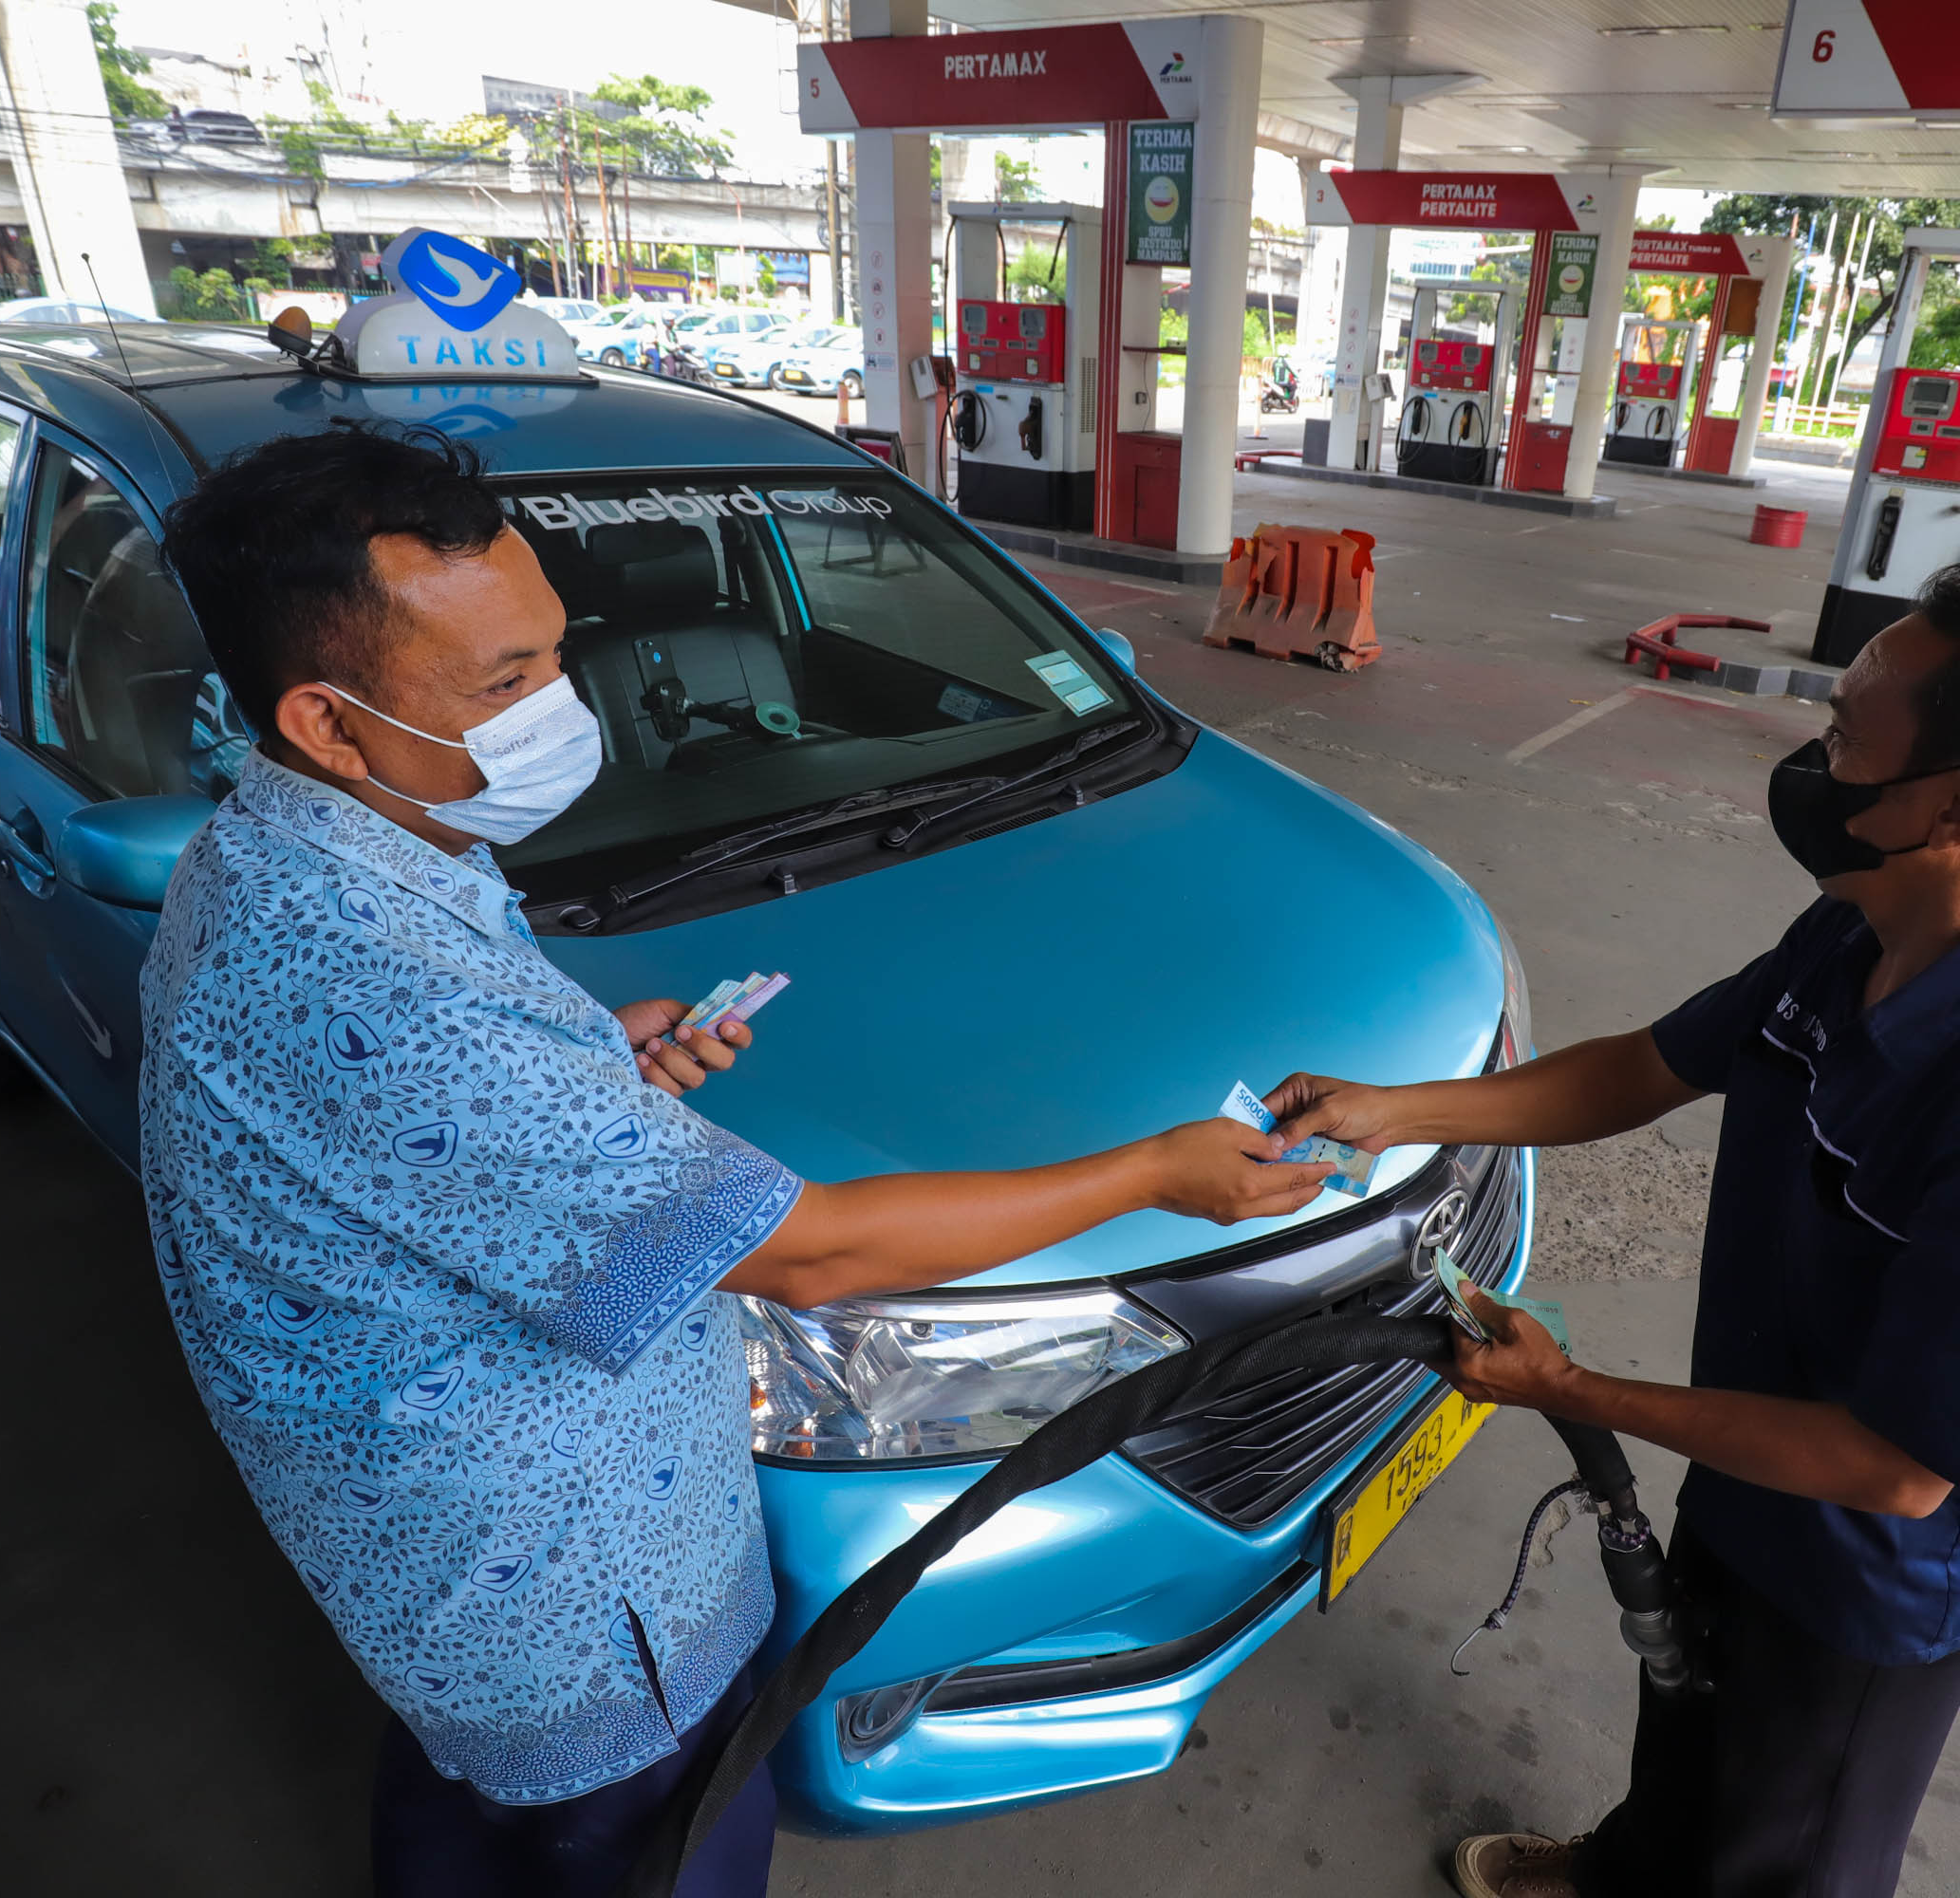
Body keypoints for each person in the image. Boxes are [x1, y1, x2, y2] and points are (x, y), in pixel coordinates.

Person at [147, 420, 1330, 1898]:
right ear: (325, 720)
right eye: (505, 685)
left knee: (482, 1827)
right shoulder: (379, 983)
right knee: (642, 1848)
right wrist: (1155, 1175)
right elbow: (817, 1254)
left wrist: (592, 1066)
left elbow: (421, 1140)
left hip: (440, 1590)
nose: (560, 708)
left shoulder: (284, 850)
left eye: (555, 652)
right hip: (574, 1598)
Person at [1266, 568, 1960, 1898]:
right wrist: (1395, 1112)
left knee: (1788, 1840)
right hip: (1753, 1453)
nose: (1816, 752)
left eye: (1853, 729)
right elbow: (1643, 1066)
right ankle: (1632, 1871)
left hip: (1873, 1573)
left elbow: (1902, 1470)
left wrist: (1570, 1390)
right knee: (1688, 1707)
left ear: (1958, 806)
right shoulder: (1853, 932)